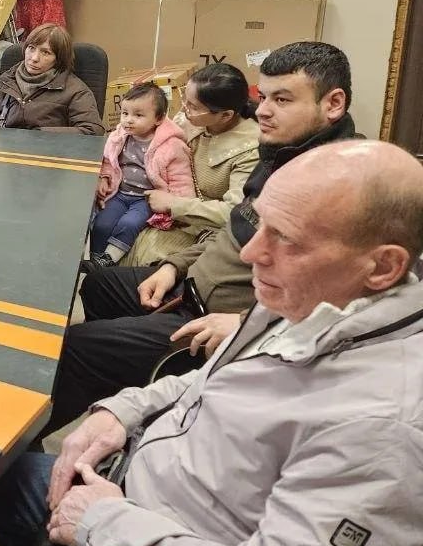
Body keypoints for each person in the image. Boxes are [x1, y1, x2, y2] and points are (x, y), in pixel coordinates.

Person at [0, 140, 423, 546]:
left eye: (286, 238)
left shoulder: (383, 430)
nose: (250, 254)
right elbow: (212, 380)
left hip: (142, 522)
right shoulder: (318, 302)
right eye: (262, 225)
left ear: (383, 266)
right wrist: (123, 411)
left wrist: (104, 522)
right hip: (141, 476)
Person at [38, 41, 360, 439]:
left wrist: (244, 323)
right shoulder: (282, 154)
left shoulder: (343, 186)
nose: (262, 110)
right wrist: (174, 266)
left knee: (75, 346)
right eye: (264, 97)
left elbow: (350, 302)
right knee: (98, 284)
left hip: (213, 319)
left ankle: (24, 449)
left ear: (333, 103)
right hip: (188, 286)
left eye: (282, 99)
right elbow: (234, 230)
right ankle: (128, 388)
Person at [121, 63, 260, 266]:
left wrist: (174, 204)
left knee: (146, 264)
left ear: (226, 115)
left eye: (193, 107)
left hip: (204, 229)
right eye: (186, 100)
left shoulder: (250, 149)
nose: (185, 109)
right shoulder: (192, 121)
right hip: (163, 209)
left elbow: (237, 212)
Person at [88, 83, 193, 269]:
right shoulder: (119, 137)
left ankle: (110, 259)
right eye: (125, 113)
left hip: (146, 199)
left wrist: (177, 206)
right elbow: (108, 160)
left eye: (138, 115)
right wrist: (104, 178)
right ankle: (95, 260)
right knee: (102, 223)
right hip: (120, 194)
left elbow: (181, 179)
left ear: (158, 118)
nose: (128, 120)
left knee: (129, 223)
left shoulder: (172, 146)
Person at [0, 23, 104, 134]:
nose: (34, 58)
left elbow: (92, 130)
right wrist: (2, 137)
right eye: (31, 48)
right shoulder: (10, 81)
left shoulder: (76, 91)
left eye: (46, 52)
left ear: (59, 59)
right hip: (9, 154)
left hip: (49, 156)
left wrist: (38, 135)